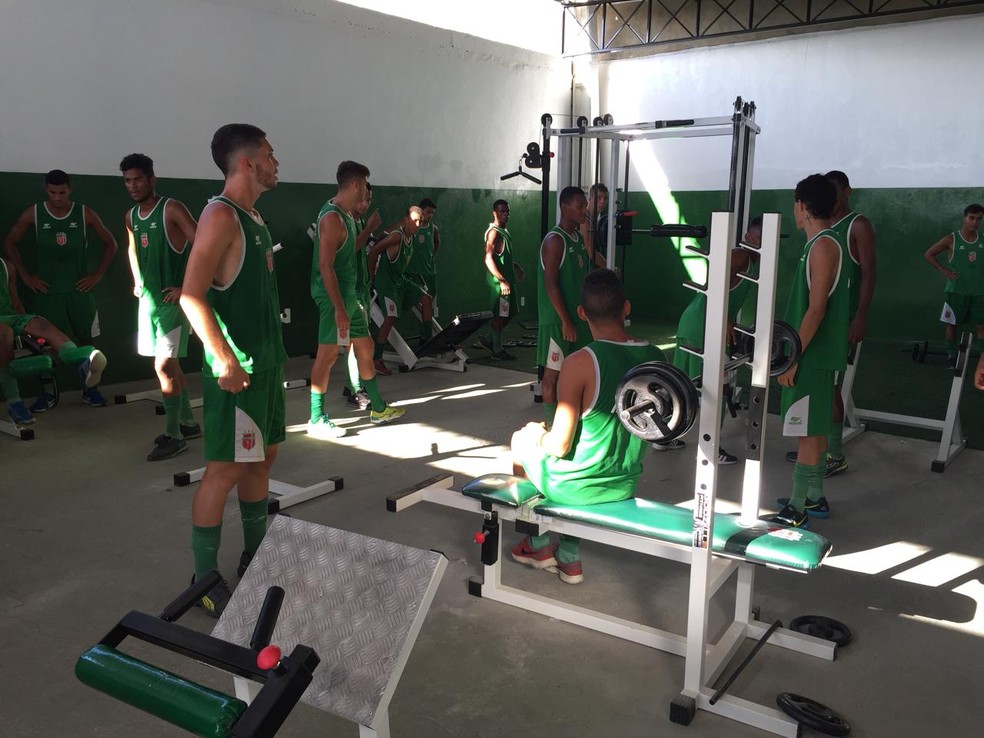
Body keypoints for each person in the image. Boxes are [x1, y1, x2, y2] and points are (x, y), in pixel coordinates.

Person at [178, 124, 286, 617]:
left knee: (262, 460)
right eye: (269, 154)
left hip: (266, 365)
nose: (275, 162)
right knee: (224, 470)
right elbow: (191, 296)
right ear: (247, 162)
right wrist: (224, 359)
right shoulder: (220, 215)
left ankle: (255, 556)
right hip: (236, 371)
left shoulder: (254, 217)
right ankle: (202, 580)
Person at [510, 268, 666, 583]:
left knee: (521, 439)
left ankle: (537, 543)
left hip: (575, 489)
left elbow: (560, 446)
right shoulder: (656, 357)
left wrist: (537, 435)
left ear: (581, 313)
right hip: (624, 485)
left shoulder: (580, 362)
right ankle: (568, 555)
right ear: (626, 307)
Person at [2, 169, 118, 408]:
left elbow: (111, 244)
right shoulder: (34, 213)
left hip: (79, 291)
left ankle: (91, 390)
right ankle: (48, 394)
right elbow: (10, 242)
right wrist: (26, 277)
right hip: (47, 292)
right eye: (53, 192)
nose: (57, 198)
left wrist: (97, 274)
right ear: (46, 190)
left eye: (62, 193)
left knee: (87, 340)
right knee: (45, 344)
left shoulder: (84, 213)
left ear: (70, 190)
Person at [787, 171, 877, 477]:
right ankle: (814, 471)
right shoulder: (821, 239)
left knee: (820, 409)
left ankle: (827, 465)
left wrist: (860, 316)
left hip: (827, 337)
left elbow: (819, 309)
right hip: (816, 338)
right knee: (815, 414)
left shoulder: (840, 236)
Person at [772, 174, 850, 528]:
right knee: (814, 429)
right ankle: (815, 496)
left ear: (801, 206)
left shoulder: (822, 246)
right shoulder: (822, 243)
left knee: (805, 432)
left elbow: (817, 309)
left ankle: (797, 507)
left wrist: (794, 356)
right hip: (816, 356)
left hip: (812, 357)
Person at [309, 161, 406, 438]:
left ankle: (378, 408)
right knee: (328, 355)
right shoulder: (331, 218)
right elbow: (325, 266)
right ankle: (316, 418)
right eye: (364, 185)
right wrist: (339, 309)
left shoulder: (348, 216)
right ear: (355, 185)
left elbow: (351, 248)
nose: (366, 191)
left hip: (351, 296)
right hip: (334, 299)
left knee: (365, 347)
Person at [120, 153, 201, 461]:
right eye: (127, 180)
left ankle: (174, 436)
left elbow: (203, 246)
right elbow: (131, 248)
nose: (132, 185)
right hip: (150, 301)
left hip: (172, 302)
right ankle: (188, 423)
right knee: (171, 365)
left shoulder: (172, 209)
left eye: (138, 179)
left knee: (163, 366)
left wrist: (186, 288)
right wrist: (137, 279)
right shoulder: (131, 216)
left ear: (151, 179)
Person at [671, 217, 763, 462]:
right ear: (748, 237)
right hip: (702, 326)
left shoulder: (752, 263)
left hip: (699, 324)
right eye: (759, 239)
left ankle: (665, 435)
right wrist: (726, 318)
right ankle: (711, 447)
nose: (762, 245)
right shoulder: (741, 256)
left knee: (681, 385)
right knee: (715, 388)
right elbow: (714, 283)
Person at [0, 256, 107, 425]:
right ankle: (14, 403)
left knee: (43, 325)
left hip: (10, 317)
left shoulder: (6, 266)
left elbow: (16, 303)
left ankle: (83, 362)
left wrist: (26, 325)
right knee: (4, 333)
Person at [537, 186, 591, 425]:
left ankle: (573, 424)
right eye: (580, 205)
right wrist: (566, 321)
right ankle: (551, 427)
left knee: (578, 372)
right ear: (564, 207)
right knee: (552, 376)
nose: (585, 209)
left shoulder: (578, 238)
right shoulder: (555, 240)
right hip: (558, 322)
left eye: (585, 205)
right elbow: (550, 285)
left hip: (576, 319)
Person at [369, 206, 434, 373]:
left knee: (427, 299)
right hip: (386, 282)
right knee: (391, 317)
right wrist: (370, 280)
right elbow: (374, 251)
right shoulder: (397, 236)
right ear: (406, 221)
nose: (418, 225)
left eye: (420, 222)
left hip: (400, 280)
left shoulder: (410, 236)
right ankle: (376, 358)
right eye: (414, 221)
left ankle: (426, 343)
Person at [924, 203, 984, 367]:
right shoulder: (951, 239)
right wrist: (945, 270)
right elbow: (929, 254)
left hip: (980, 292)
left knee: (982, 326)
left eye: (978, 219)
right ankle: (951, 356)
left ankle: (983, 360)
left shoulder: (982, 239)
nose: (975, 222)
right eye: (971, 218)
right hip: (957, 291)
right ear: (964, 218)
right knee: (952, 324)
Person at [340, 182, 381, 411]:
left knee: (362, 343)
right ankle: (355, 389)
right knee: (354, 344)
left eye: (369, 200)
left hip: (362, 287)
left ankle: (353, 385)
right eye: (362, 199)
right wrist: (368, 230)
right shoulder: (342, 220)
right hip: (350, 291)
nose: (365, 204)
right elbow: (349, 250)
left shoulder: (360, 221)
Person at [475, 199, 525, 361]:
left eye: (507, 211)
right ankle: (497, 350)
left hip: (508, 281)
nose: (506, 214)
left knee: (511, 312)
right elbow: (488, 258)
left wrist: (515, 266)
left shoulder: (504, 231)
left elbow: (502, 256)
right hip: (499, 284)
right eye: (502, 211)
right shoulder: (494, 233)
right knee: (499, 315)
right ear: (494, 213)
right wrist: (501, 280)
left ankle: (489, 339)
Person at [405, 197, 441, 343]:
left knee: (429, 305)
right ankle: (425, 337)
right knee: (422, 302)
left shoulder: (433, 229)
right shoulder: (413, 227)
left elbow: (437, 242)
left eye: (432, 213)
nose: (430, 215)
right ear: (421, 211)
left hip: (430, 272)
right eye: (428, 212)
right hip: (414, 273)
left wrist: (432, 256)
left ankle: (425, 336)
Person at [581, 182, 610, 269]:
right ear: (590, 198)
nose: (602, 202)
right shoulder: (584, 221)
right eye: (599, 198)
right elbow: (591, 252)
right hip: (585, 270)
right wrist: (609, 268)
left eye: (605, 198)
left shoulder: (595, 221)